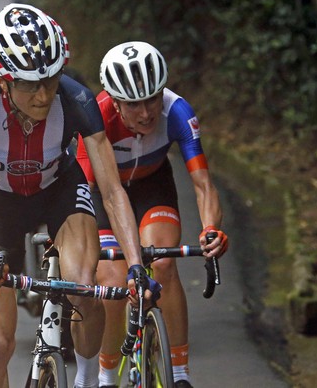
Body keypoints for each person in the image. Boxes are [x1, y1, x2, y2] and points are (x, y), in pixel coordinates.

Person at [0, 5, 158, 388]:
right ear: (4, 80)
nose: (43, 95)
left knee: (83, 287)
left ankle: (87, 380)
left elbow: (110, 190)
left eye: (51, 80)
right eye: (29, 84)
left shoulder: (76, 100)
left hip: (60, 191)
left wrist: (136, 263)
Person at [76, 41, 229, 388]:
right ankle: (105, 376)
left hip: (151, 187)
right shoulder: (95, 115)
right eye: (133, 104)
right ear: (115, 100)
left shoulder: (177, 111)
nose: (146, 113)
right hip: (104, 194)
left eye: (152, 99)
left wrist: (210, 230)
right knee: (113, 282)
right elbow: (82, 192)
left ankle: (179, 374)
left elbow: (203, 184)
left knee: (162, 262)